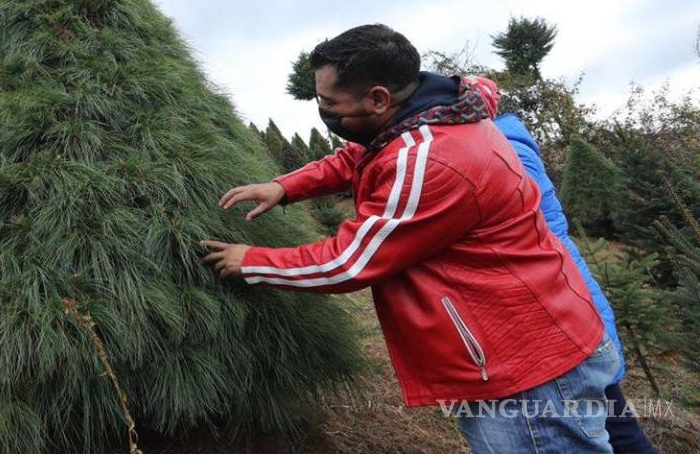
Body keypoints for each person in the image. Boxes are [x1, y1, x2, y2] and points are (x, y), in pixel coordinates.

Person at [202, 24, 617, 454]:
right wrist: (286, 186)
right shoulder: (429, 113)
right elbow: (360, 157)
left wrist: (250, 261)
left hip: (527, 373)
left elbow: (350, 261)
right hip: (526, 345)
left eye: (329, 102)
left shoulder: (432, 160)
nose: (323, 109)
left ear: (378, 98)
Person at [494, 113, 658, 453]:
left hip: (564, 311)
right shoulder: (510, 141)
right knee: (617, 423)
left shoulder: (498, 151)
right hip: (576, 300)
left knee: (613, 427)